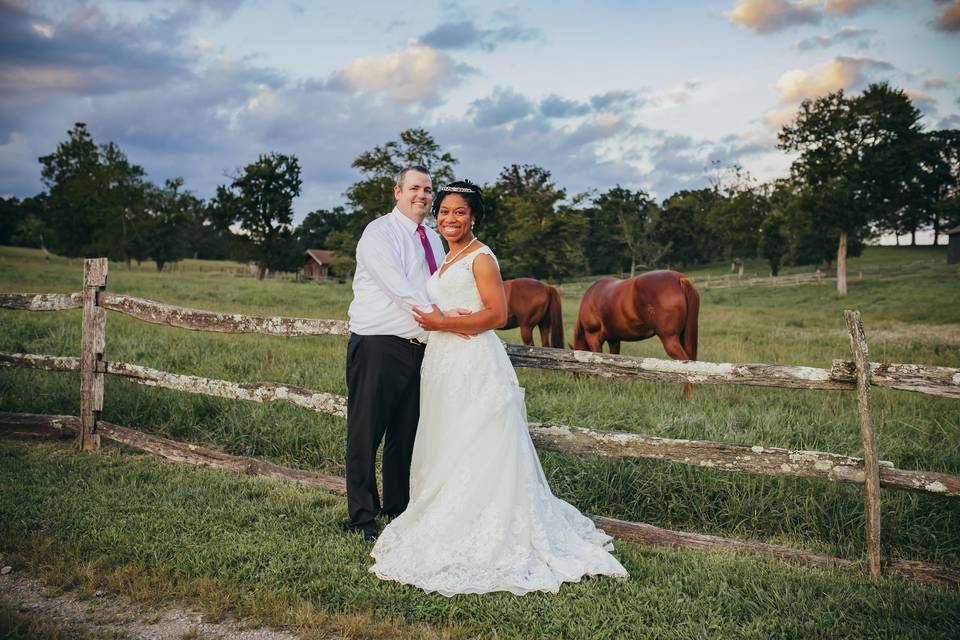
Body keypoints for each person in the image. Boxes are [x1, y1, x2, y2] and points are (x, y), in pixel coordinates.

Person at [369, 181, 628, 596]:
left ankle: (488, 525)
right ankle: (445, 514)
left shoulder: (482, 257)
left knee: (479, 441)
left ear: (474, 217)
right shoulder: (446, 255)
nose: (449, 219)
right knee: (447, 439)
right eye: (444, 212)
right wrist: (436, 320)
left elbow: (497, 314)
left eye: (459, 213)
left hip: (473, 363)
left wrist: (442, 324)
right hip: (443, 365)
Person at [344, 165, 446, 540]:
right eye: (415, 188)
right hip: (379, 344)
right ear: (397, 192)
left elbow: (438, 287)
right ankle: (361, 516)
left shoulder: (434, 240)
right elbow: (399, 287)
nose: (423, 195)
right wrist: (445, 319)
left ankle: (398, 507)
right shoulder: (379, 233)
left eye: (428, 190)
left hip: (420, 348)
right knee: (366, 432)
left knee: (405, 435)